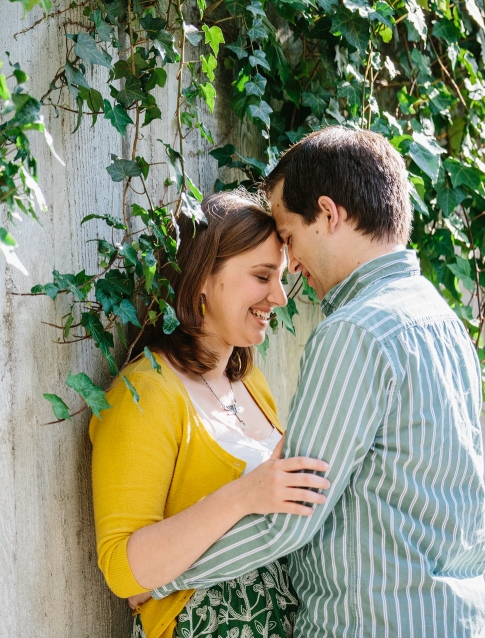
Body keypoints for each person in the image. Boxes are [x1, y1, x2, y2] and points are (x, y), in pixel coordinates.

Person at [146, 127, 485, 636]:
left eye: (287, 236)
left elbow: (291, 514)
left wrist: (161, 578)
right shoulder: (443, 322)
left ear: (329, 213)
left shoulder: (355, 331)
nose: (291, 264)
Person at [90, 190, 332, 638]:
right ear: (202, 277)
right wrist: (243, 496)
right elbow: (123, 570)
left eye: (279, 277)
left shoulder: (249, 381)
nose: (279, 297)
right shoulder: (146, 393)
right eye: (262, 276)